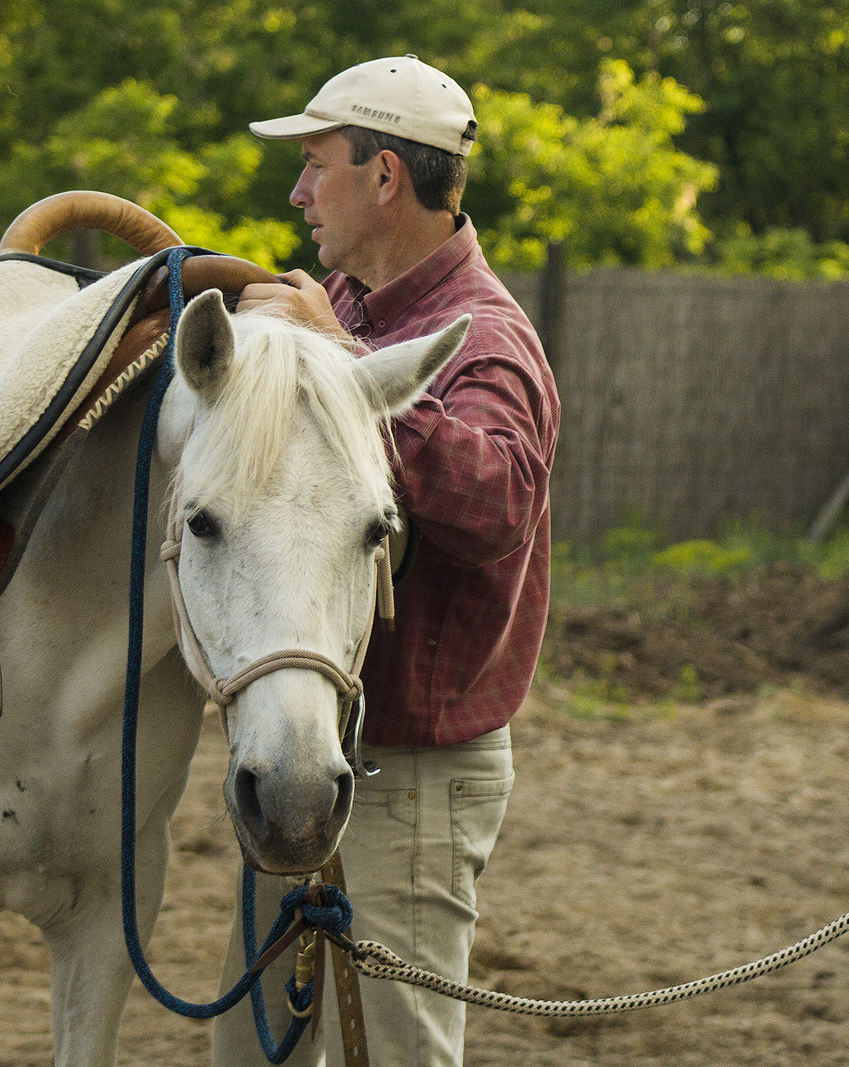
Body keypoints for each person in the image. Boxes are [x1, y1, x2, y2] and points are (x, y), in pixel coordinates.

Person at [230, 55, 559, 1067]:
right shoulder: (346, 303)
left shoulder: (485, 341)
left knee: (401, 1052)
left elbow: (497, 498)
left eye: (315, 163)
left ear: (384, 178)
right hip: (307, 754)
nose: (296, 192)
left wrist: (345, 366)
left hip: (408, 775)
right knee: (262, 1053)